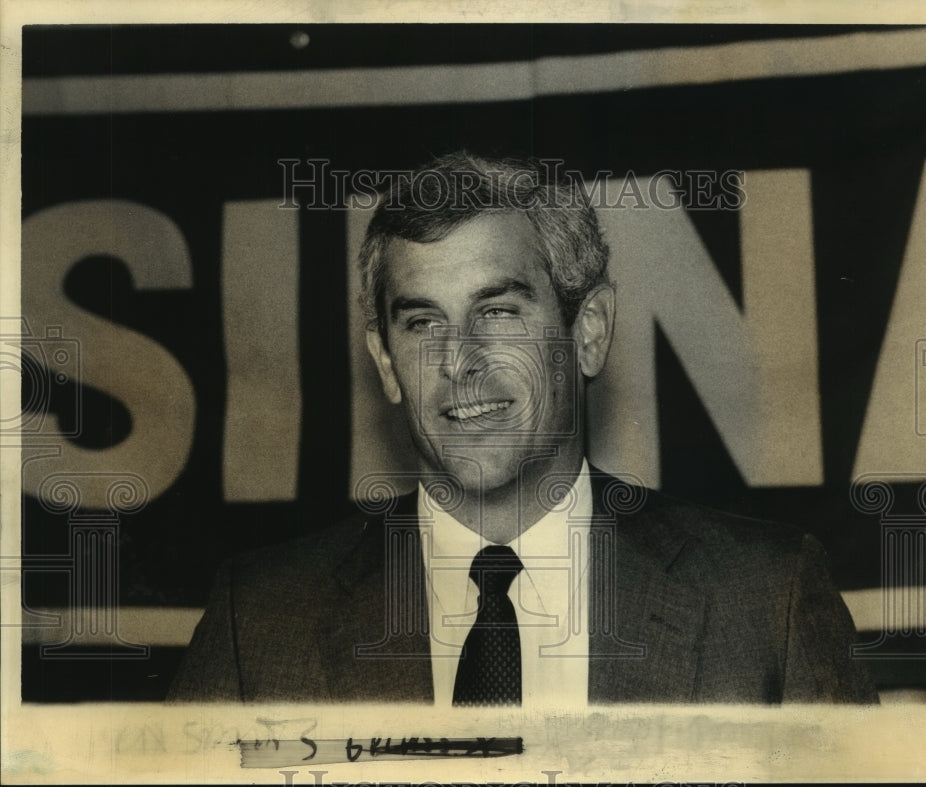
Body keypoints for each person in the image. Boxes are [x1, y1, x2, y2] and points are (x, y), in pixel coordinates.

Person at [168, 152, 877, 705]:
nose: (459, 360)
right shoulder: (258, 622)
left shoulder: (767, 602)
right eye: (423, 323)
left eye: (498, 312)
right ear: (385, 361)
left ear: (588, 332)